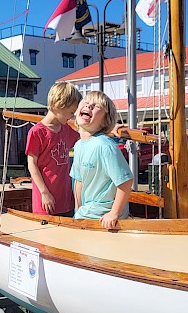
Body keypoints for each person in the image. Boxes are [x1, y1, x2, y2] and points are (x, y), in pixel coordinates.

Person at [71, 91, 133, 230]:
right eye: (86, 102)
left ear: (105, 120)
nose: (89, 105)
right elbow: (78, 181)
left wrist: (114, 213)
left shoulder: (105, 146)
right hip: (86, 213)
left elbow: (126, 181)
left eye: (96, 105)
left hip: (103, 217)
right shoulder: (79, 145)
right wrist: (78, 210)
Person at [25, 81, 82, 216]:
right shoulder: (37, 132)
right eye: (71, 112)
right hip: (46, 201)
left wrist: (109, 128)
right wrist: (44, 192)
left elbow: (86, 136)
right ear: (58, 106)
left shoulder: (66, 130)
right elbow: (31, 165)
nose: (72, 117)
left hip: (66, 199)